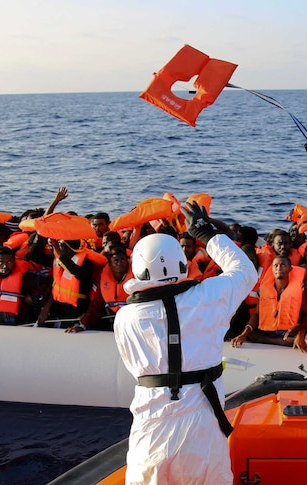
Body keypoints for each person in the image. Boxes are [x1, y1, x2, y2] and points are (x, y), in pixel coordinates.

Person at [113, 202, 256, 485]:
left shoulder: (125, 318)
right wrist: (205, 232)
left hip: (151, 427)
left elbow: (134, 367)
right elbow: (245, 271)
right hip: (202, 428)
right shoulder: (209, 296)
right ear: (181, 262)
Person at [231, 254, 305, 347]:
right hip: (269, 331)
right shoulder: (265, 289)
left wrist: (300, 334)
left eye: (283, 265)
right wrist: (244, 334)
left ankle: (267, 340)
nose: (279, 268)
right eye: (276, 266)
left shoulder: (300, 289)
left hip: (288, 333)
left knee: (301, 340)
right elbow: (257, 314)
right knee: (250, 333)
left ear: (290, 269)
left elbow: (305, 315)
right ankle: (272, 340)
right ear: (272, 269)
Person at [74, 242, 132, 332]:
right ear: (110, 264)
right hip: (114, 322)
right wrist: (83, 325)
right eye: (116, 260)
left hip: (133, 322)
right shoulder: (104, 278)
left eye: (123, 260)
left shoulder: (136, 276)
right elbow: (97, 305)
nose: (120, 263)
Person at [0, 246, 37, 325]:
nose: (5, 266)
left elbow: (45, 286)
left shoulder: (25, 277)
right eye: (1, 262)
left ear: (14, 262)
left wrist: (32, 298)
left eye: (9, 262)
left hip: (17, 321)